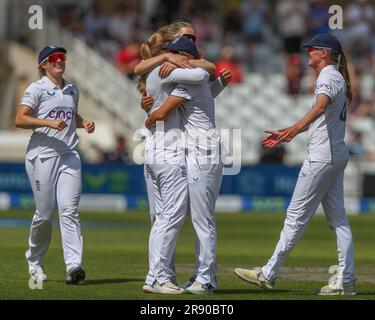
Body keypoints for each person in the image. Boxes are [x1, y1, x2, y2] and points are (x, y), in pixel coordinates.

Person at [234, 33, 356, 296]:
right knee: (339, 220)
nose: (307, 53)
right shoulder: (336, 76)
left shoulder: (328, 75)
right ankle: (346, 279)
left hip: (324, 155)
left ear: (324, 53)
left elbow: (320, 107)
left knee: (296, 216)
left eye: (311, 49)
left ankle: (268, 273)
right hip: (334, 153)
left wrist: (292, 129)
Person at [144, 38, 231, 294]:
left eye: (174, 54)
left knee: (202, 218)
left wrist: (150, 118)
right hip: (196, 151)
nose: (169, 57)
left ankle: (205, 279)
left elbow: (161, 111)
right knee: (196, 218)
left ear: (184, 56)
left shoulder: (194, 76)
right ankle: (196, 277)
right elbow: (204, 83)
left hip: (203, 152)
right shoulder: (192, 79)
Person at [15, 45, 95, 284]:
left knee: (69, 211)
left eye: (62, 57)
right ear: (44, 65)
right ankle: (35, 262)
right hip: (42, 155)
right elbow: (20, 119)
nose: (60, 61)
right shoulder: (36, 88)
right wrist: (47, 123)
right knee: (45, 213)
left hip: (69, 155)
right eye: (54, 58)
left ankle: (73, 266)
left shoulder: (72, 89)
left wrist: (85, 122)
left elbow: (71, 118)